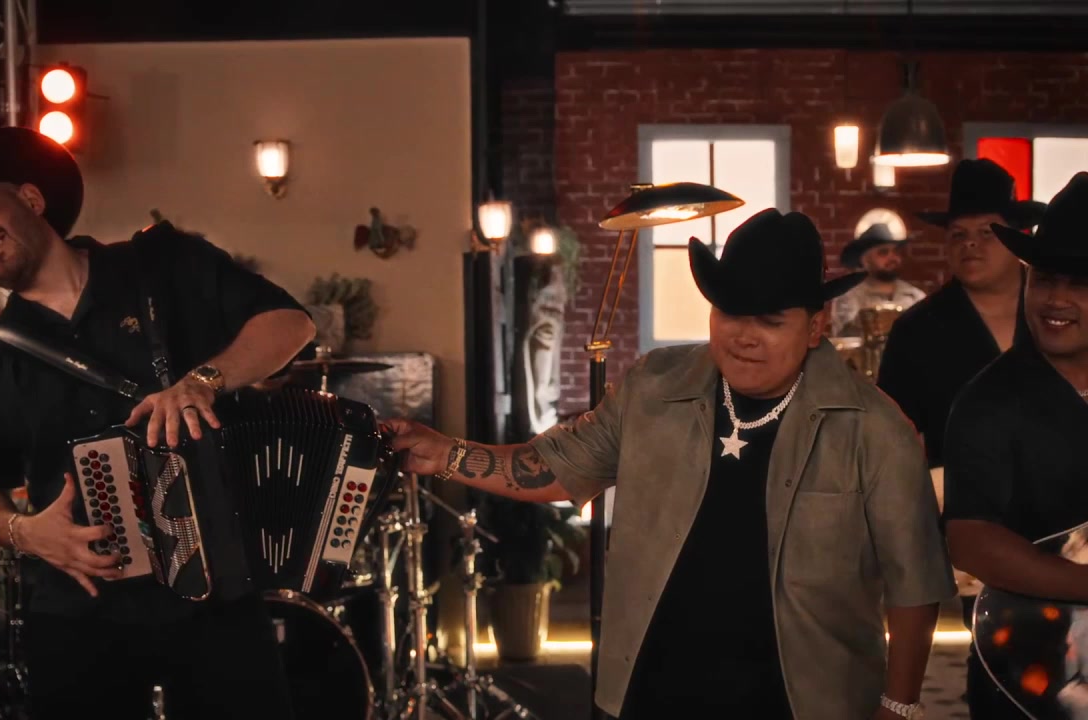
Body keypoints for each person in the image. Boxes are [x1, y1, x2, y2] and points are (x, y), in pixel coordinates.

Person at [387, 208, 955, 720]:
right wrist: (445, 453)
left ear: (815, 327)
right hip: (651, 692)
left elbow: (915, 581)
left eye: (770, 320)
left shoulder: (875, 428)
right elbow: (556, 466)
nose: (744, 336)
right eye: (729, 313)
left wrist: (898, 705)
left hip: (805, 700)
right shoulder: (654, 386)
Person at [0, 127, 315, 719]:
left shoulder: (164, 264)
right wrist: (26, 533)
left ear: (31, 198)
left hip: (218, 589)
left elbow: (291, 323)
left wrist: (201, 382)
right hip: (77, 609)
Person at [943, 172, 1088, 720]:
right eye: (1045, 279)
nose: (1057, 299)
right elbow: (971, 540)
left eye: (1080, 283)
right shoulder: (988, 400)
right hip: (1024, 671)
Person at [877, 158, 1045, 470]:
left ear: (1017, 236)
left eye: (987, 232)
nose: (969, 243)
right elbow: (888, 439)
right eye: (958, 234)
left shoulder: (1057, 310)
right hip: (956, 494)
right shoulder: (916, 331)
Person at [829, 222, 925, 338]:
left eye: (896, 252)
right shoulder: (848, 297)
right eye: (883, 252)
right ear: (865, 260)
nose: (893, 257)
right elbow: (844, 339)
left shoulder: (916, 297)